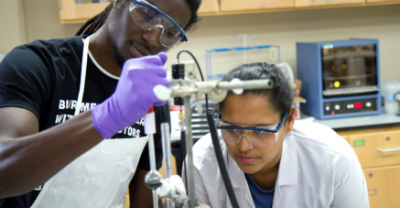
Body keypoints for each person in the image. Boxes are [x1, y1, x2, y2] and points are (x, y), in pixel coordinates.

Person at [0, 0, 201, 207]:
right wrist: (108, 116)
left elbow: (145, 199)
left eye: (169, 32)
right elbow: (4, 173)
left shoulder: (150, 101)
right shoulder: (37, 65)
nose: (152, 38)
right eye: (147, 15)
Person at [187, 63, 369, 207]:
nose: (243, 146)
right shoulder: (201, 164)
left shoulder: (334, 160)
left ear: (289, 120)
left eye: (260, 131)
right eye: (231, 128)